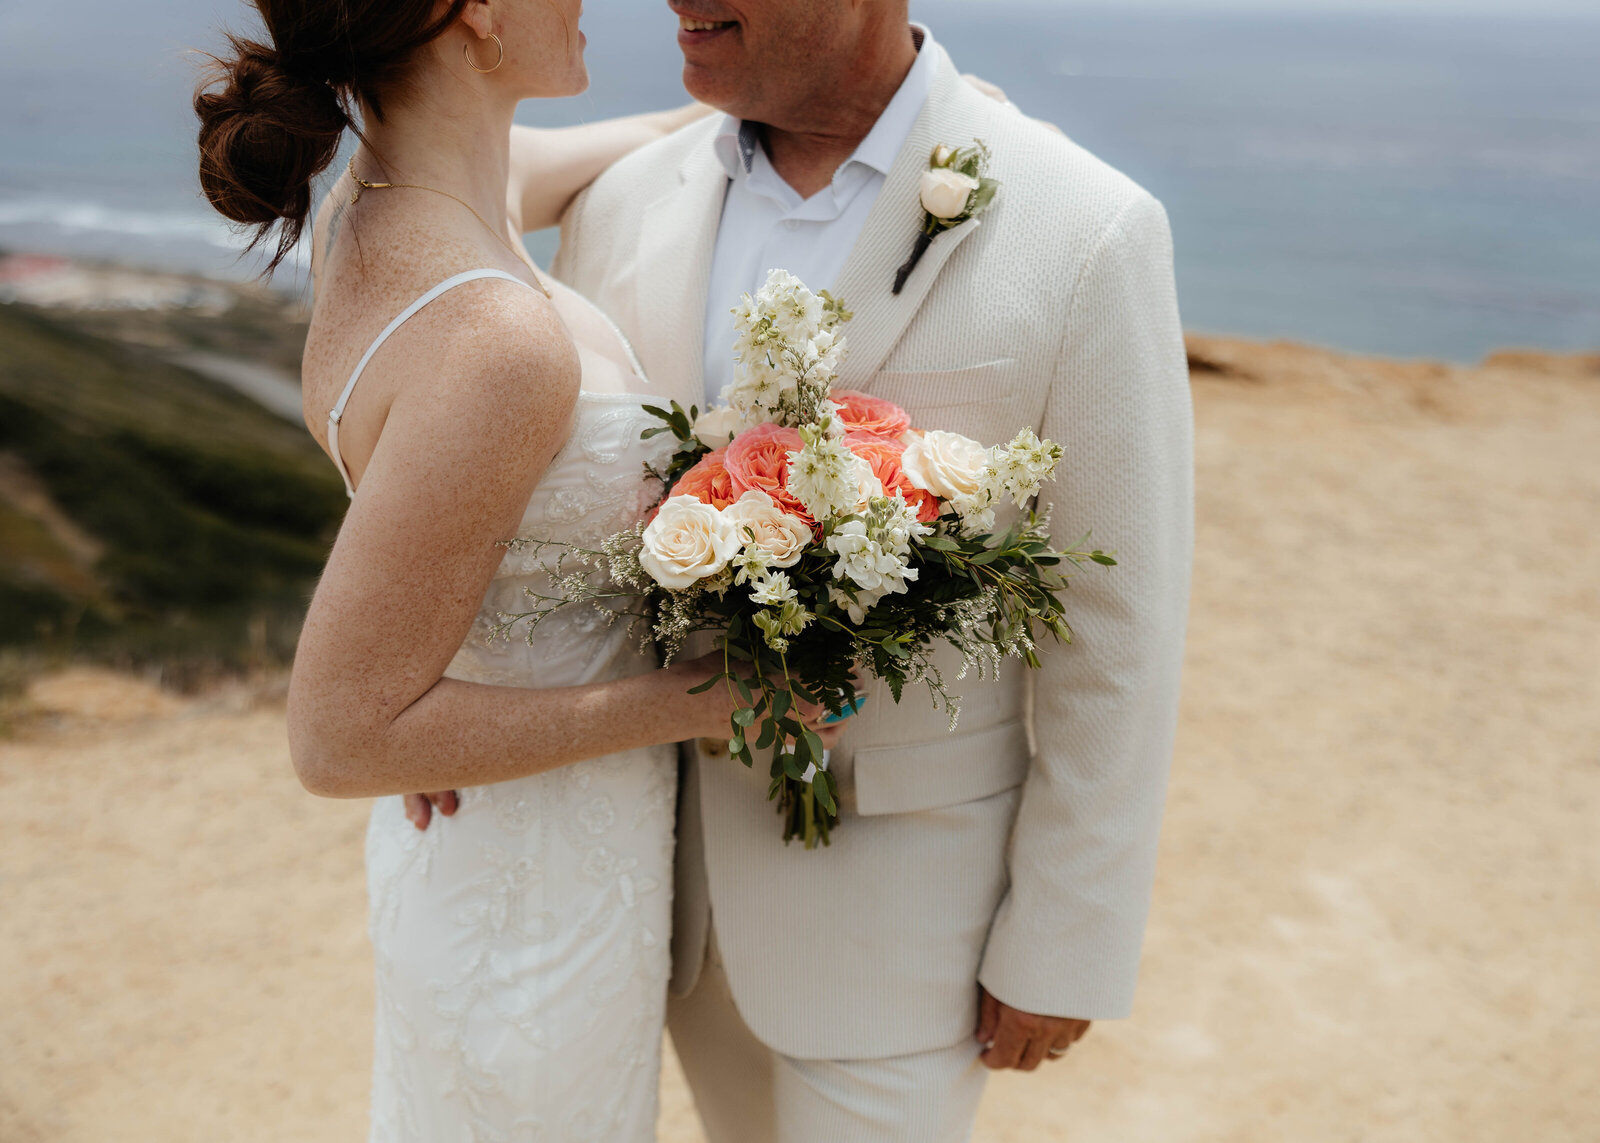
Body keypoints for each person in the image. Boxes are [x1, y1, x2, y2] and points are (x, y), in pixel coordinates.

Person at [192, 1, 844, 1138]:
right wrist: (710, 699)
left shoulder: (385, 202)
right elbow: (339, 736)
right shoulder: (496, 338)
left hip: (496, 846)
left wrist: (933, 110)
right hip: (540, 893)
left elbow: (653, 138)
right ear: (476, 18)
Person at [548, 2, 1194, 1140]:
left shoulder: (1087, 226)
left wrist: (1067, 936)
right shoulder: (617, 202)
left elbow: (1119, 625)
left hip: (912, 923)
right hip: (659, 902)